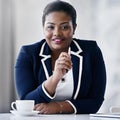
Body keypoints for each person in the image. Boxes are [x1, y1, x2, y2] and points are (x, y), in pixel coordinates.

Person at [14, 0, 106, 114]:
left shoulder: (91, 51)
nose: (57, 33)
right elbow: (26, 102)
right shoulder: (27, 54)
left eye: (64, 27)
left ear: (74, 28)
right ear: (43, 28)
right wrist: (55, 78)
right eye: (50, 27)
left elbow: (95, 101)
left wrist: (58, 107)